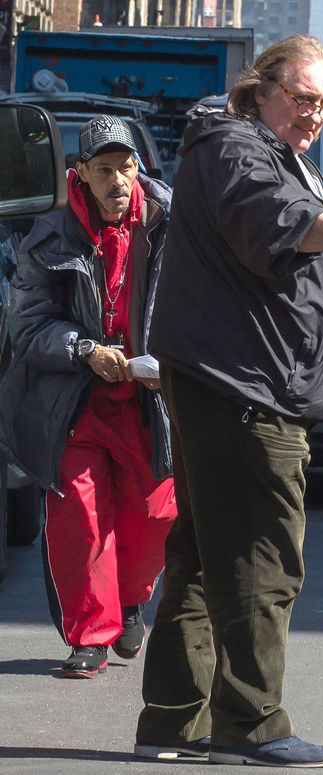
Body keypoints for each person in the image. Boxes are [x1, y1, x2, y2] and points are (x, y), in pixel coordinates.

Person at [134, 35, 323, 768]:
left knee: (201, 553)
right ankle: (252, 726)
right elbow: (275, 223)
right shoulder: (236, 148)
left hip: (238, 382)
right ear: (259, 91)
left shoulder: (258, 151)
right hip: (245, 388)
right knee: (261, 559)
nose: (314, 114)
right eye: (302, 97)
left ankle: (171, 718)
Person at [0, 115, 175, 679]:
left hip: (150, 401)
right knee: (81, 518)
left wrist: (171, 361)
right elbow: (28, 325)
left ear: (139, 170)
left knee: (153, 514)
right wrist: (84, 350)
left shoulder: (174, 225)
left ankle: (128, 603)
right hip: (72, 402)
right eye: (104, 170)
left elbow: (200, 307)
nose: (117, 181)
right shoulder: (48, 235)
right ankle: (89, 637)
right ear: (81, 174)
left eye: (126, 168)